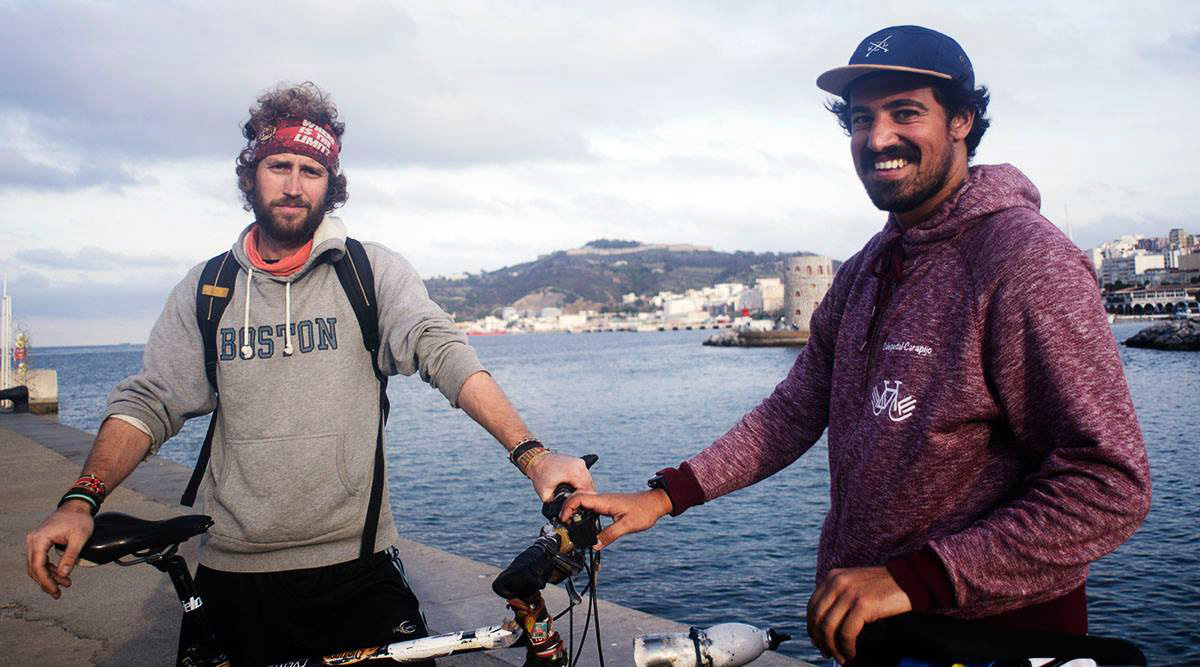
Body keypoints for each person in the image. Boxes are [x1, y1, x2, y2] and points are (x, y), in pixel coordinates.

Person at [560, 25, 1150, 665]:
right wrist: (664, 496)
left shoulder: (1026, 261)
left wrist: (915, 579)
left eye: (906, 112)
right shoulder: (869, 266)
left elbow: (1107, 483)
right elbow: (794, 410)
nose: (878, 138)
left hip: (992, 635)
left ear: (961, 120)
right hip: (875, 626)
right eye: (862, 119)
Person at [24, 82, 593, 665]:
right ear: (251, 175)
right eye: (279, 166)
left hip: (357, 569)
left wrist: (532, 455)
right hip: (233, 572)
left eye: (311, 171)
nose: (294, 185)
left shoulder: (369, 273)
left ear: (331, 185)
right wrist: (80, 501)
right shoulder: (208, 288)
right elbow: (150, 402)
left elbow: (442, 351)